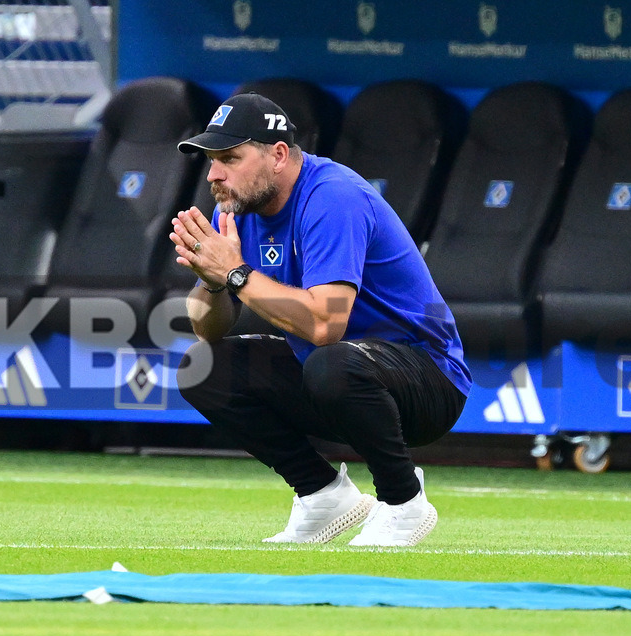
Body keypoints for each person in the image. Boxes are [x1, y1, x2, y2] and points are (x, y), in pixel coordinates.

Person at [171, 92, 471, 547]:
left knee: (332, 361)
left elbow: (326, 325)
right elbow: (208, 330)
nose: (214, 174)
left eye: (230, 158)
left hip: (427, 380)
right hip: (337, 376)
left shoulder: (333, 197)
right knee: (204, 366)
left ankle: (403, 501)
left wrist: (234, 272)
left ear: (278, 155)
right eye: (212, 161)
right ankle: (322, 494)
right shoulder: (235, 209)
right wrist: (212, 281)